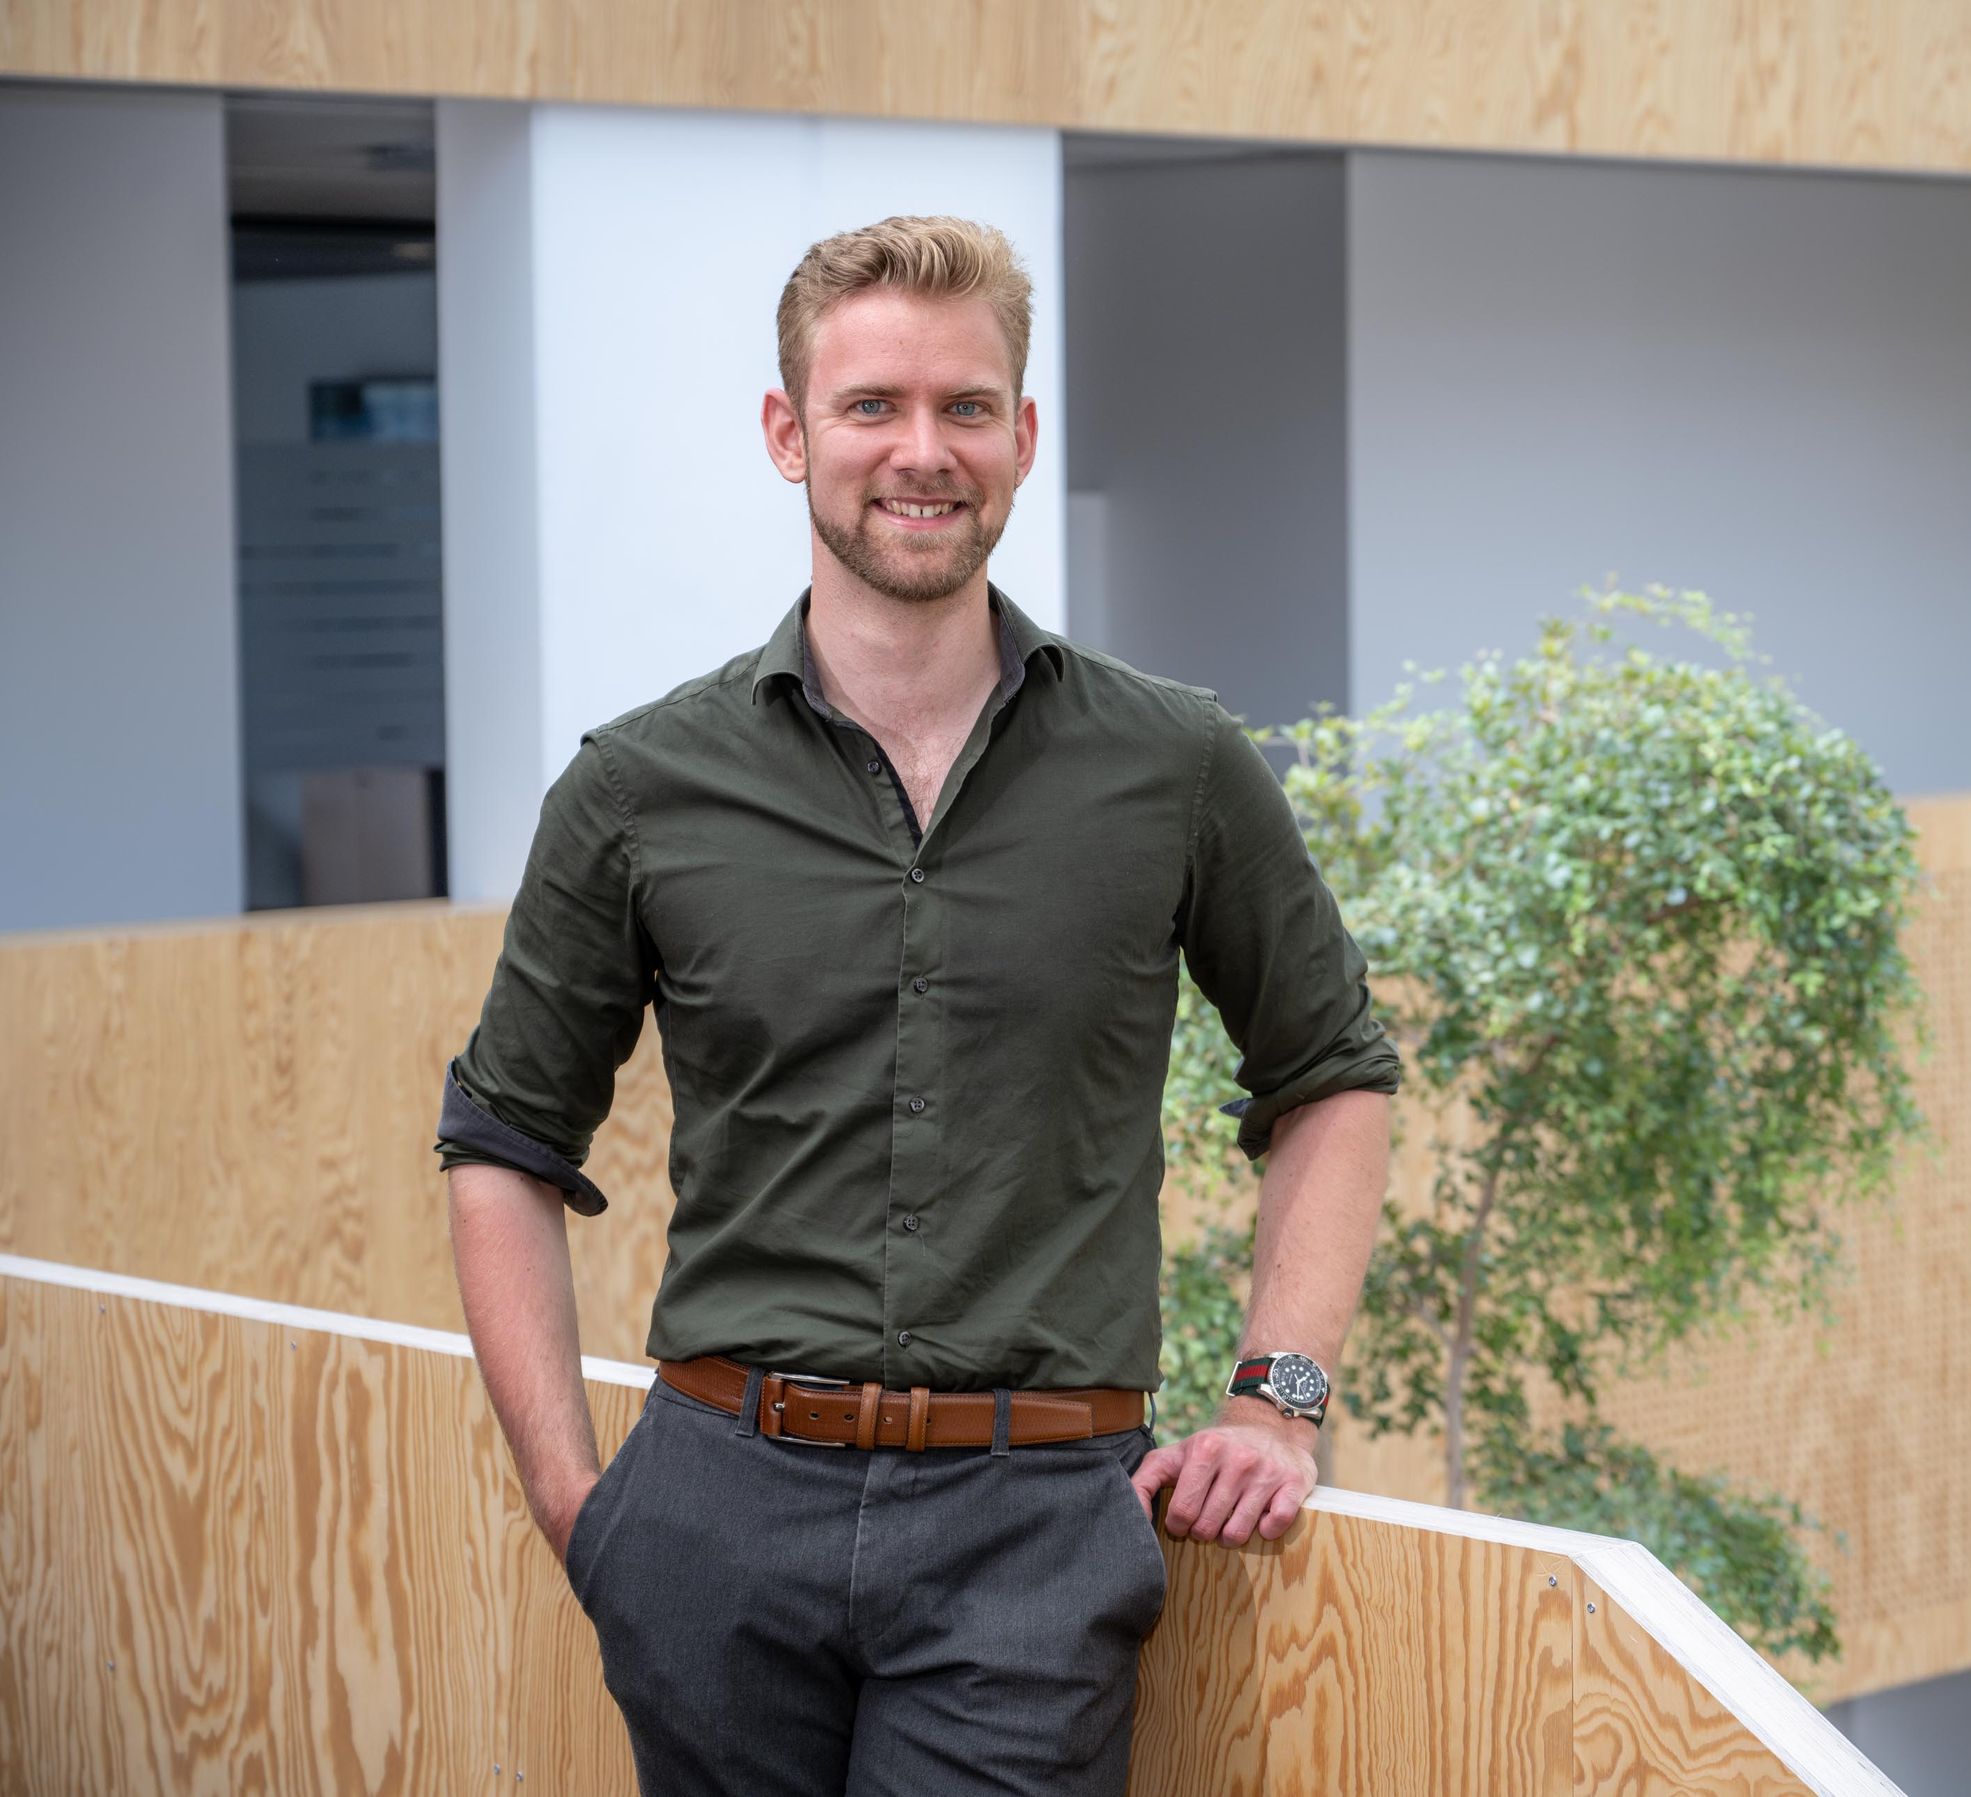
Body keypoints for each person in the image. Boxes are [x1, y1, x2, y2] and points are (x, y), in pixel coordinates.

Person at [434, 214, 1400, 1796]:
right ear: (789, 433)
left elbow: (1334, 1075)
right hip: (711, 1518)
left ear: (1024, 438)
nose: (923, 451)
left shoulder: (1177, 765)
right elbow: (502, 1143)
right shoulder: (638, 785)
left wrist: (1276, 1399)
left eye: (967, 407)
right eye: (873, 404)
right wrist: (579, 1505)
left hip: (1034, 1531)